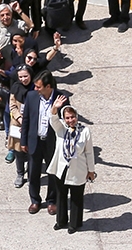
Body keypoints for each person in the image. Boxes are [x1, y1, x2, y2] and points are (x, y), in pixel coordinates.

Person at [18, 72, 69, 216]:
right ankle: (35, 200)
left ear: (48, 86)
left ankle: (52, 200)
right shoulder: (32, 97)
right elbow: (26, 119)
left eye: (39, 86)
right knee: (33, 171)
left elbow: (67, 123)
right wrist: (23, 141)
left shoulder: (62, 99)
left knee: (52, 172)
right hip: (35, 141)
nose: (35, 89)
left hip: (52, 143)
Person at [47, 102, 95, 233]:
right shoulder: (61, 129)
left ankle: (75, 224)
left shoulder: (85, 131)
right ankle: (61, 221)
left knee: (76, 197)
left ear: (77, 116)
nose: (70, 120)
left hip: (78, 169)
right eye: (67, 118)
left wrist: (91, 170)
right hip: (62, 168)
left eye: (72, 117)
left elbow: (89, 152)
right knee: (61, 195)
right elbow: (53, 120)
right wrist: (55, 108)